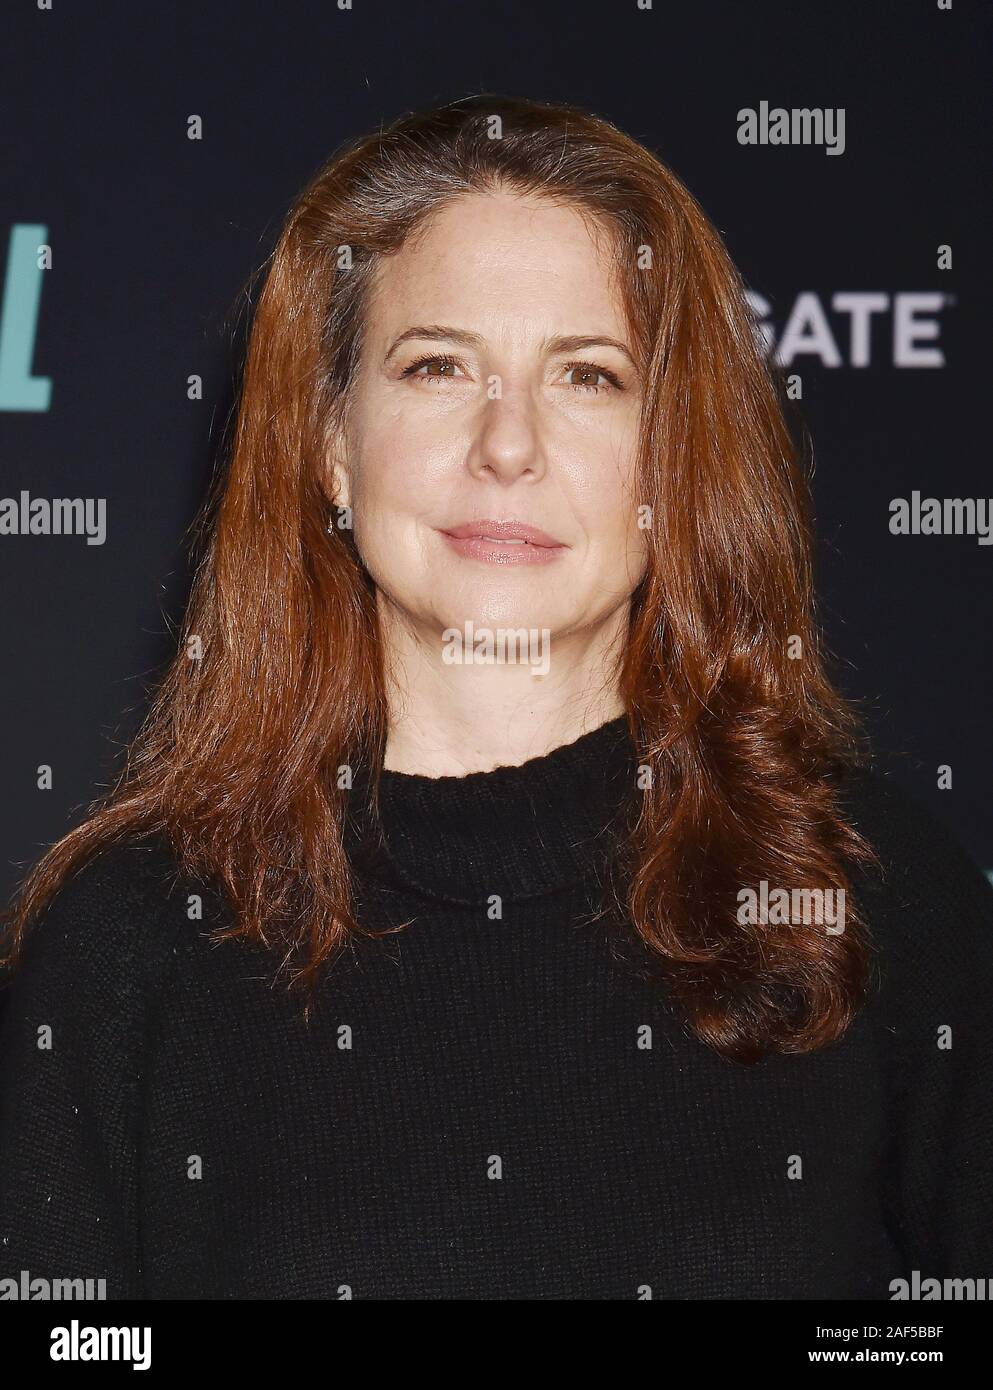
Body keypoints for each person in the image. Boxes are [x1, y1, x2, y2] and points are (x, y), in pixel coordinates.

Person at [1, 94, 991, 1302]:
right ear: (330, 442)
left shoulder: (869, 898)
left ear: (672, 454)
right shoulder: (131, 939)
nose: (508, 444)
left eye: (587, 375)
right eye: (436, 366)